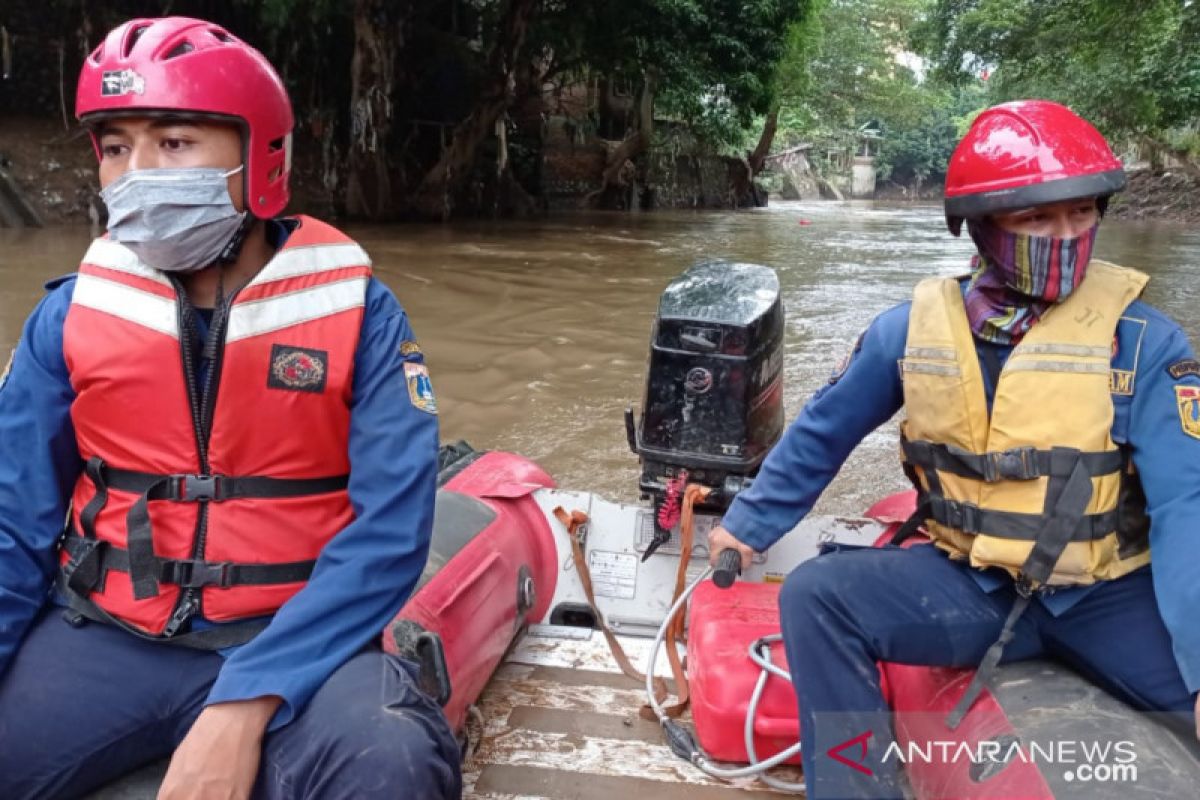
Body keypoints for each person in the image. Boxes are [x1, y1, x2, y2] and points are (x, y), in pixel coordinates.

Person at [0, 16, 460, 800]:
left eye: (175, 144)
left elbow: (389, 536)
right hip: (108, 634)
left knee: (393, 760)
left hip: (299, 640)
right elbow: (13, 519)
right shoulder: (69, 317)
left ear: (262, 159)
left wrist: (246, 701)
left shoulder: (362, 316)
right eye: (116, 149)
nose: (138, 175)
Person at [709, 99, 1200, 798]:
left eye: (1083, 213)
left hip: (1108, 597)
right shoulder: (910, 332)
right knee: (818, 597)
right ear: (983, 228)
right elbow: (825, 430)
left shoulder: (1145, 344)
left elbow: (1189, 501)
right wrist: (748, 525)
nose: (1066, 234)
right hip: (974, 585)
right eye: (1037, 217)